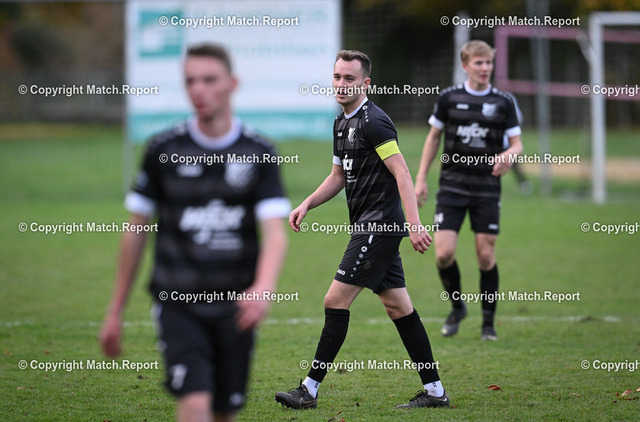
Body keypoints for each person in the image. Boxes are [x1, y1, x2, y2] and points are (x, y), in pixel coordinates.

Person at [99, 43, 290, 422]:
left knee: (222, 412)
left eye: (209, 80)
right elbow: (136, 230)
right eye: (190, 81)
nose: (198, 89)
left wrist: (263, 287)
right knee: (195, 404)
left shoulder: (259, 151)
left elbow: (275, 233)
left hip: (235, 305)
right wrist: (115, 310)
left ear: (232, 84)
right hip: (178, 302)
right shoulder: (163, 150)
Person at [275, 50, 449, 410]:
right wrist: (307, 204)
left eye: (349, 78)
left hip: (379, 226)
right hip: (369, 226)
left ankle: (308, 390)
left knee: (334, 300)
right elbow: (338, 176)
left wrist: (414, 225)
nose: (341, 84)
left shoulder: (375, 122)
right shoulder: (341, 123)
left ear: (365, 83)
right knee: (398, 306)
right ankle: (435, 392)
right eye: (337, 77)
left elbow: (402, 172)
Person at [414, 40, 523, 341]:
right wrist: (421, 177)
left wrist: (508, 155)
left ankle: (488, 324)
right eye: (479, 63)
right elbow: (433, 137)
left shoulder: (503, 101)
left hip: (486, 189)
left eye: (488, 63)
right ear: (465, 65)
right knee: (444, 254)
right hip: (451, 186)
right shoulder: (449, 98)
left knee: (485, 255)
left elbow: (517, 144)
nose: (485, 68)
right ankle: (457, 307)